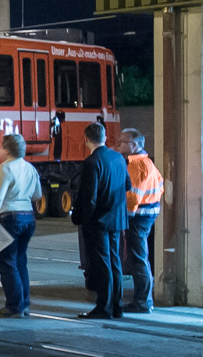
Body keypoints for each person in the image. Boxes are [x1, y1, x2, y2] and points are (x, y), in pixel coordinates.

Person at [69, 122, 132, 319]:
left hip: (98, 221)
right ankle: (117, 305)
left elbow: (89, 197)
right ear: (105, 137)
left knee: (101, 263)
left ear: (86, 139)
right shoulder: (119, 158)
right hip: (117, 219)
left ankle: (103, 307)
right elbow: (127, 185)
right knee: (115, 262)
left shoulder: (91, 162)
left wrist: (80, 218)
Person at [0, 132, 40, 316]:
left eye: (0, 146)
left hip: (9, 218)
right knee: (20, 260)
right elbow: (37, 195)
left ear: (5, 149)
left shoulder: (3, 170)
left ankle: (14, 307)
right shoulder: (30, 168)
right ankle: (24, 304)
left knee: (5, 263)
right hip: (28, 218)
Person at [118, 130, 162, 314]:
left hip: (138, 217)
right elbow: (160, 185)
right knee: (140, 257)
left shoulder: (136, 166)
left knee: (138, 258)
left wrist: (125, 218)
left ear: (133, 145)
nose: (119, 145)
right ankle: (144, 300)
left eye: (122, 142)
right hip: (148, 214)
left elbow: (132, 197)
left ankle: (143, 301)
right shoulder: (148, 162)